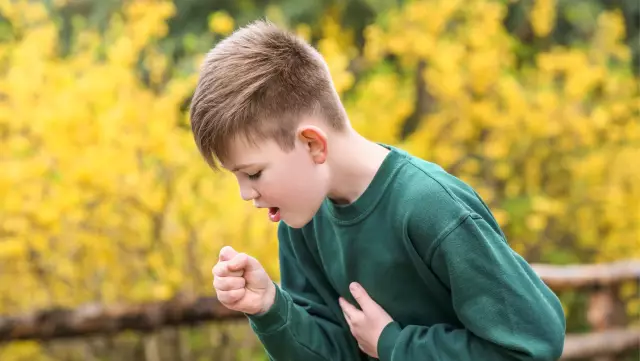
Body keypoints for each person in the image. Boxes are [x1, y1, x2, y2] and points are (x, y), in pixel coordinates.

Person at [189, 20, 566, 361]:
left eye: (253, 173)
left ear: (312, 145)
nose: (245, 193)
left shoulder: (431, 208)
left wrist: (395, 345)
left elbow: (531, 345)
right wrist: (272, 307)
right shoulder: (301, 224)